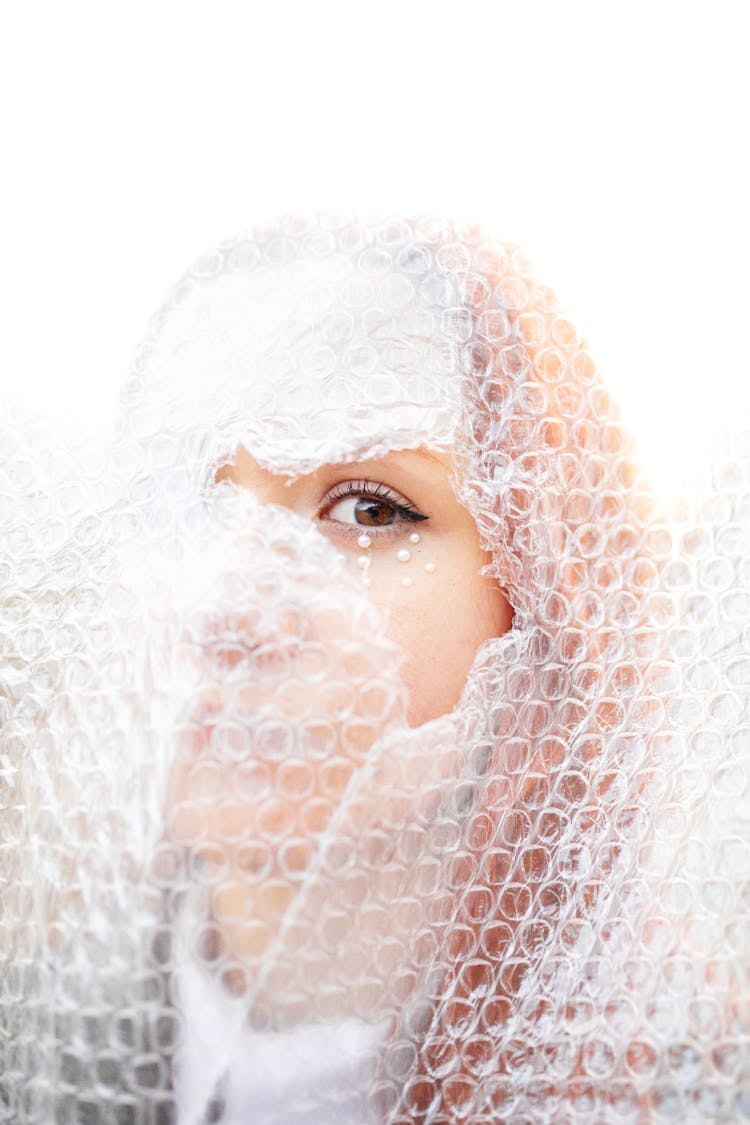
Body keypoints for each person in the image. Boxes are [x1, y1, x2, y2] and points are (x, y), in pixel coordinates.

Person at [1, 214, 747, 1123]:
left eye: (368, 508)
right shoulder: (32, 1032)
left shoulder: (684, 1084)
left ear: (546, 599)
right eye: (196, 498)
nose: (226, 611)